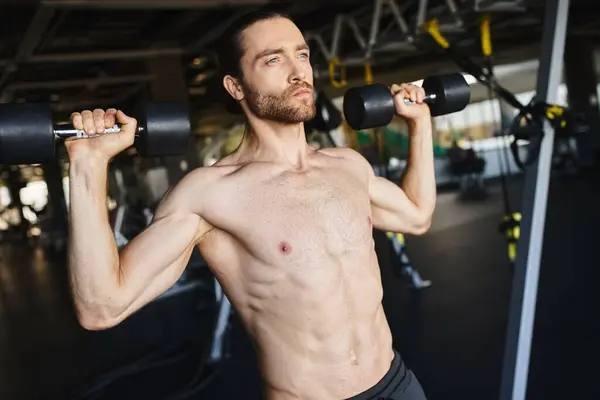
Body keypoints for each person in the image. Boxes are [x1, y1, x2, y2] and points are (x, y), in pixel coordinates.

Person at [65, 10, 436, 400]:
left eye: (303, 55)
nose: (298, 72)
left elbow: (417, 215)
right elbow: (101, 307)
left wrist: (420, 124)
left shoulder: (348, 167)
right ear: (235, 86)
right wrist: (88, 165)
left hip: (398, 385)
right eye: (273, 60)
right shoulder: (210, 194)